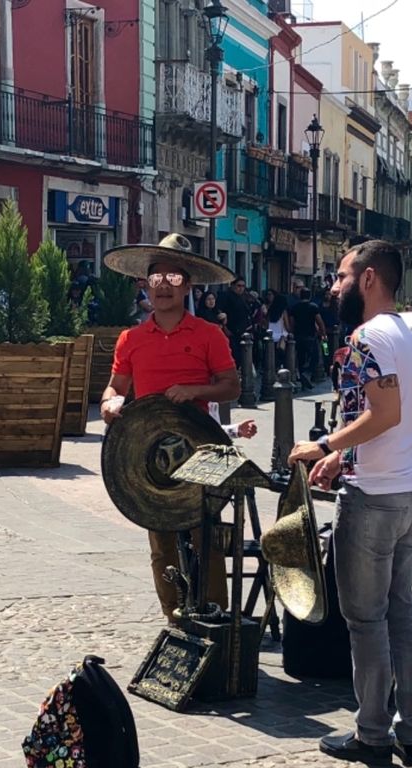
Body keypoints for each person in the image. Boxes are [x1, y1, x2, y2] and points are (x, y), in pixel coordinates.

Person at [289, 240, 412, 768]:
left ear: (368, 279)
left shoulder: (366, 337)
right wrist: (341, 456)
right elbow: (389, 417)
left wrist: (323, 445)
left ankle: (372, 733)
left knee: (367, 621)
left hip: (373, 499)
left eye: (342, 275)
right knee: (403, 615)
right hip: (407, 492)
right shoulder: (404, 335)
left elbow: (384, 412)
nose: (333, 286)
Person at [100, 233, 241, 621]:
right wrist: (110, 403)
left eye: (173, 278)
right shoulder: (130, 339)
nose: (164, 285)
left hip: (200, 447)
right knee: (161, 544)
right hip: (149, 452)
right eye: (156, 278)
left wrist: (195, 390)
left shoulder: (209, 334)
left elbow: (232, 386)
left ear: (187, 286)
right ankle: (173, 617)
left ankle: (215, 621)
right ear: (146, 285)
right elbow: (116, 386)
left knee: (207, 539)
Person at [289, 288, 327, 390]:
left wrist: (292, 333)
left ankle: (303, 380)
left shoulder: (294, 307)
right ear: (309, 296)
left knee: (301, 358)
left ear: (300, 296)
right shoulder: (313, 307)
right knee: (314, 357)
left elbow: (292, 323)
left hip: (298, 336)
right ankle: (307, 373)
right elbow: (319, 321)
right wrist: (323, 333)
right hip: (310, 336)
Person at [217, 276, 251, 341]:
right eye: (239, 286)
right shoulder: (225, 295)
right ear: (232, 285)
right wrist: (225, 328)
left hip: (242, 331)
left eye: (243, 286)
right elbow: (219, 311)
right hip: (230, 330)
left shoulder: (243, 298)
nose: (241, 288)